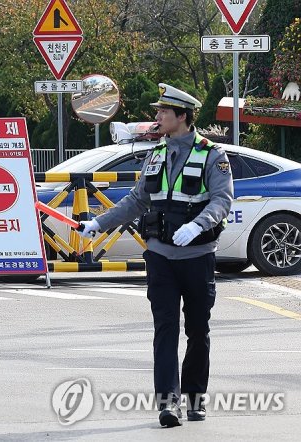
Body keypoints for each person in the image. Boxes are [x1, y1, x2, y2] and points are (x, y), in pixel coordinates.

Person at [78, 84, 234, 427]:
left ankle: (195, 398)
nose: (157, 116)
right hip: (161, 256)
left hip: (197, 256)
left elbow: (222, 200)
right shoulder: (156, 154)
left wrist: (197, 225)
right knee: (165, 328)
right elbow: (137, 201)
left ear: (182, 116)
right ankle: (168, 404)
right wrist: (99, 223)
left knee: (197, 329)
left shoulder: (212, 155)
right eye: (158, 111)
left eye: (164, 111)